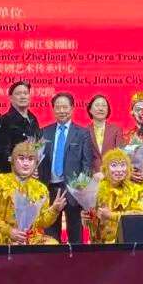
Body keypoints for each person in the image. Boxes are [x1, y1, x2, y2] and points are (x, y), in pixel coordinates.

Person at [0, 141, 65, 245]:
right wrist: (9, 231)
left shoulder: (41, 188)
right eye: (21, 158)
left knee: (52, 244)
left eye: (30, 159)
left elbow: (41, 222)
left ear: (36, 163)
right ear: (13, 161)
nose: (26, 163)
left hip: (30, 237)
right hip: (2, 234)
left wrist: (54, 210)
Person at [39, 92, 95, 244]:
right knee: (50, 236)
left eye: (65, 107)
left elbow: (87, 164)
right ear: (53, 109)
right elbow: (39, 160)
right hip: (50, 188)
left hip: (73, 191)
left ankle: (77, 259)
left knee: (76, 236)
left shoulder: (82, 133)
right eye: (58, 107)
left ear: (72, 108)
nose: (61, 111)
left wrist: (81, 191)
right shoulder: (44, 132)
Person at [84, 148, 143, 244]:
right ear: (106, 169)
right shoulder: (96, 190)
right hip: (100, 244)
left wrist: (111, 215)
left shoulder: (137, 190)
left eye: (122, 165)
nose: (119, 170)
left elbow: (139, 216)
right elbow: (92, 224)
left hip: (125, 243)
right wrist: (87, 218)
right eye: (114, 165)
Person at [0, 80, 40, 173]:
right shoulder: (5, 120)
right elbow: (2, 153)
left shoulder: (33, 118)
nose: (23, 96)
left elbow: (38, 145)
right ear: (11, 98)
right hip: (11, 173)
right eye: (18, 94)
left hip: (31, 172)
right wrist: (21, 166)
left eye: (25, 93)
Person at [122, 91, 143, 183]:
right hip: (132, 184)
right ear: (132, 113)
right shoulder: (127, 136)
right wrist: (128, 173)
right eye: (138, 109)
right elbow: (120, 160)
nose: (142, 112)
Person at [86, 93, 124, 169]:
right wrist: (93, 173)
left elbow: (120, 155)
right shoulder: (84, 131)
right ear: (90, 110)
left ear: (108, 110)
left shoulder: (116, 130)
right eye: (97, 105)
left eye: (104, 106)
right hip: (92, 174)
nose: (101, 108)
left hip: (112, 172)